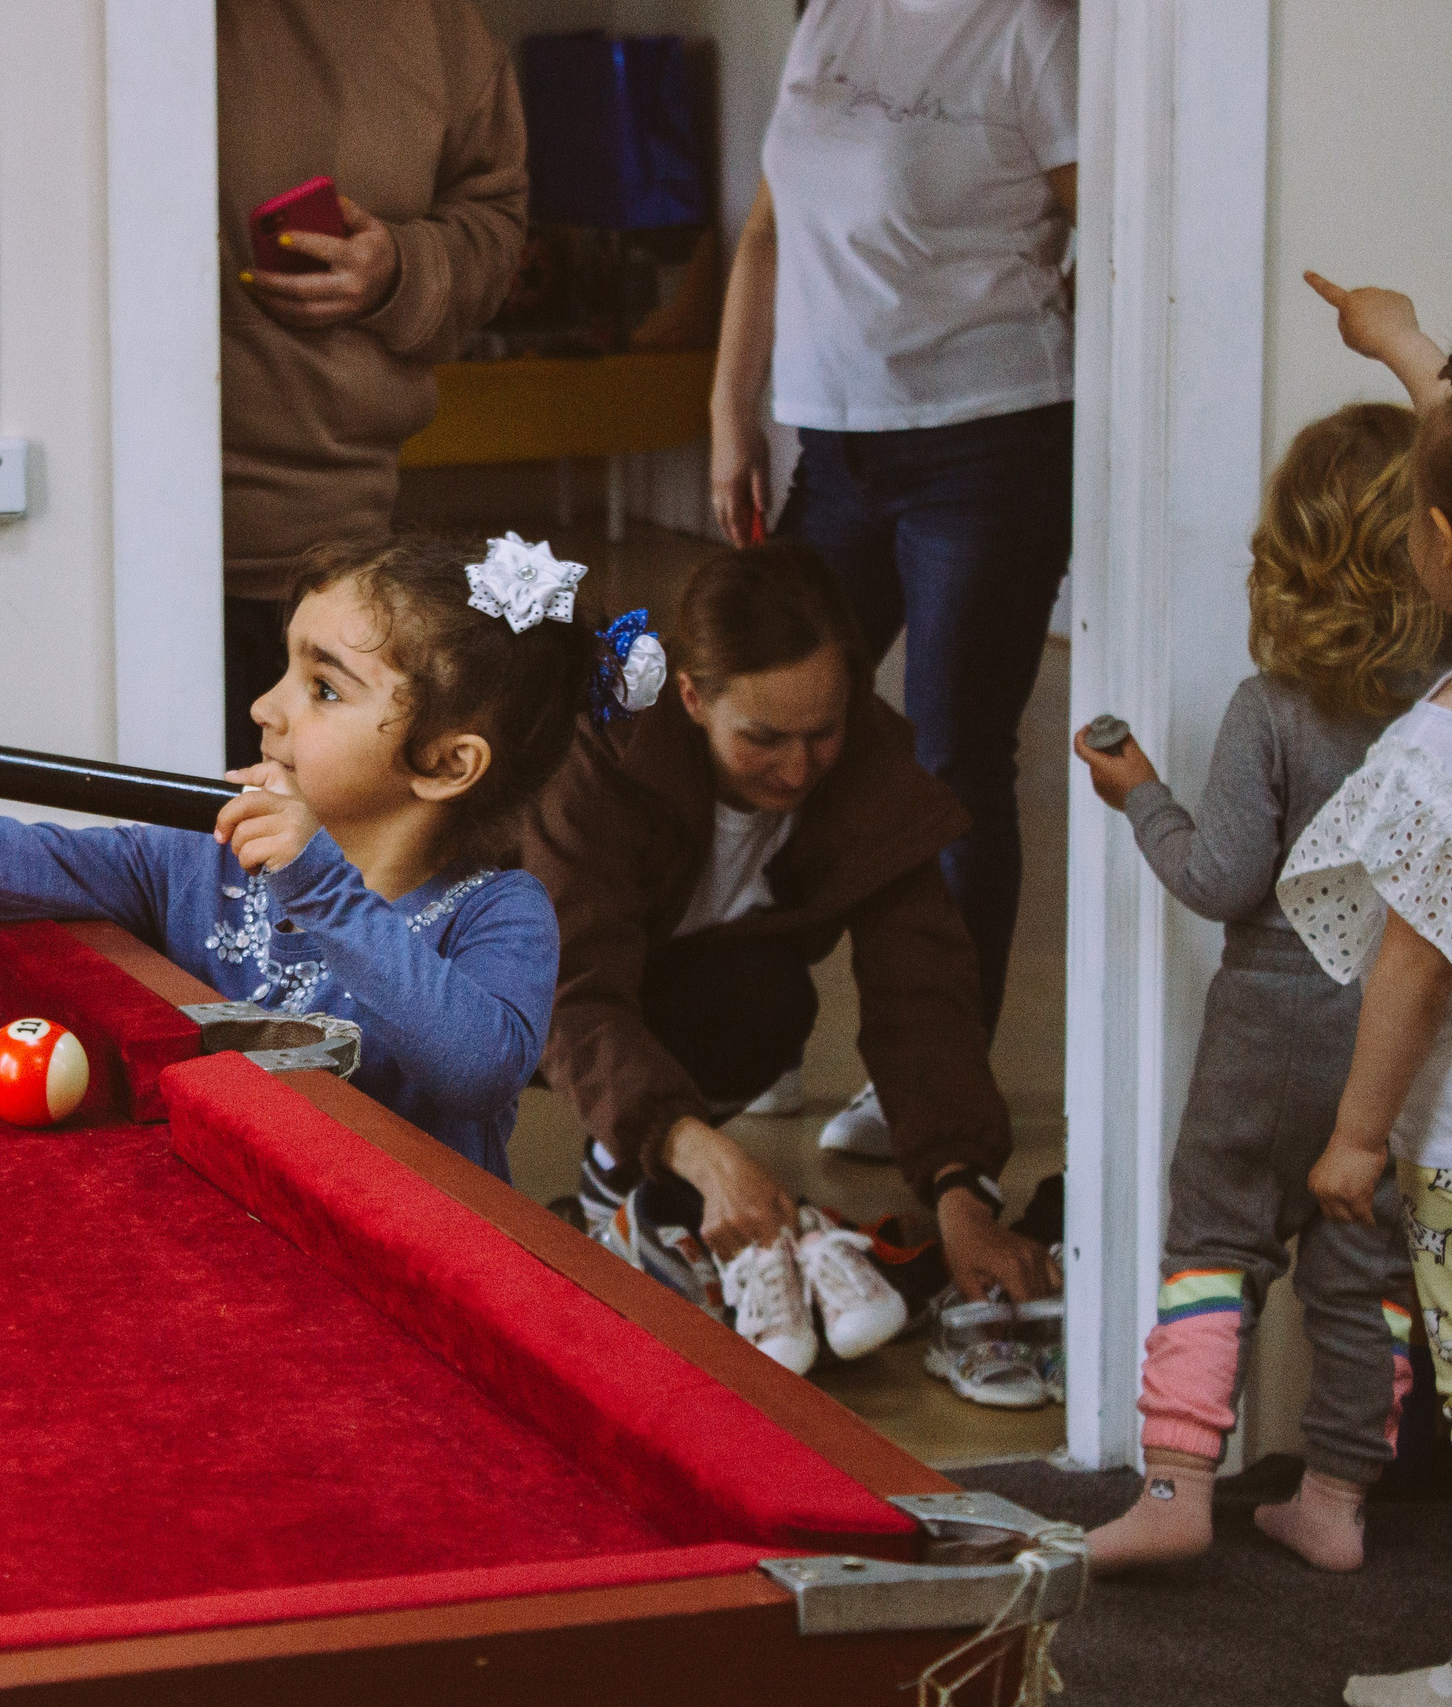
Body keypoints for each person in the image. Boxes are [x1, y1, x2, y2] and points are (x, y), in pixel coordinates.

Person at [0, 533, 623, 1180]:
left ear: (446, 765)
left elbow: (476, 1070)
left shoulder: (496, 912)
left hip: (430, 1274)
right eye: (285, 668)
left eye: (323, 690)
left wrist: (318, 881)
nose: (266, 705)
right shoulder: (200, 856)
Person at [519, 540, 1059, 1376]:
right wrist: (701, 1150)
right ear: (693, 698)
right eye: (765, 737)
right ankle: (631, 1172)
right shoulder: (603, 750)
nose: (800, 767)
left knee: (767, 1000)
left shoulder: (871, 768)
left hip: (671, 982)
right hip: (488, 978)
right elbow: (568, 985)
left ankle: (626, 1183)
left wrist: (962, 1190)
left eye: (825, 730)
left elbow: (922, 990)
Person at [709, 0, 1079, 1160]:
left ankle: (933, 1084)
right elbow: (768, 231)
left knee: (950, 759)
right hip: (835, 448)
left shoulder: (1031, 33)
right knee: (769, 732)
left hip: (988, 440)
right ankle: (748, 1029)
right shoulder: (830, 20)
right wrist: (730, 413)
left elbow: (1112, 244)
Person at [1075, 402, 1431, 1577]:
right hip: (1388, 1047)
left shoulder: (1270, 708)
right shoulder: (1439, 707)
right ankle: (1333, 1499)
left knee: (1214, 1245)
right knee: (1360, 1267)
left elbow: (1222, 881)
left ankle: (1177, 1487)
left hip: (1264, 1028)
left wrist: (1138, 793)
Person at [1281, 280, 1452, 1707]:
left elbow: (1415, 951)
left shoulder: (1443, 753)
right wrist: (1404, 350)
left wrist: (1357, 1133)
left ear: (1441, 545)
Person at [218, 0, 529, 771]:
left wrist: (400, 268)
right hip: (106, 528)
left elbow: (496, 220)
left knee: (300, 861)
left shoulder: (443, 31)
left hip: (333, 542)